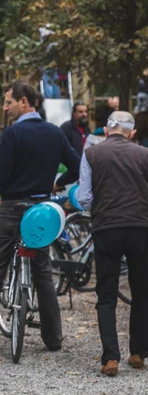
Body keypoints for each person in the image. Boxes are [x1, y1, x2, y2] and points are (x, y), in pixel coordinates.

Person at [0, 80, 80, 353]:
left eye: (9, 102)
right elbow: (76, 165)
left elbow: (0, 176)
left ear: (24, 102)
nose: (5, 107)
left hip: (12, 208)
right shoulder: (54, 132)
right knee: (44, 275)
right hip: (40, 211)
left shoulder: (13, 134)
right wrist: (58, 183)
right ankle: (53, 338)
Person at [76, 111, 148, 376]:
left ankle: (111, 358)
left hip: (106, 227)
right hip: (141, 227)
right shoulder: (144, 154)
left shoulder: (92, 154)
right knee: (141, 290)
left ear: (106, 130)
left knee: (106, 293)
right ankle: (139, 351)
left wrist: (104, 206)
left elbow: (84, 197)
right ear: (132, 133)